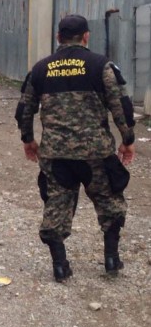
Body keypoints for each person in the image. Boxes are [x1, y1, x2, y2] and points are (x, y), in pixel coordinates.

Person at [15, 14, 136, 282]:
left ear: (58, 37)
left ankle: (60, 265)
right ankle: (111, 259)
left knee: (57, 205)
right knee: (109, 202)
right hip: (96, 153)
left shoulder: (40, 68)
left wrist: (28, 139)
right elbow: (121, 106)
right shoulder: (101, 66)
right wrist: (127, 140)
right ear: (86, 36)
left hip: (57, 155)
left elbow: (25, 109)